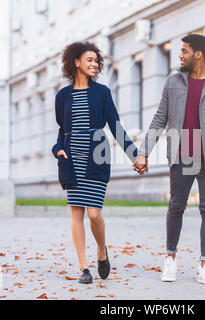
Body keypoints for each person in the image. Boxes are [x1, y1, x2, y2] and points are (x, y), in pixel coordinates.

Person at [133, 34, 205, 284]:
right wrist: (143, 152)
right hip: (183, 155)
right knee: (176, 207)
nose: (179, 55)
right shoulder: (173, 82)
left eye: (184, 51)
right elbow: (159, 119)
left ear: (198, 54)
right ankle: (170, 259)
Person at [51, 41, 139, 284]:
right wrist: (58, 150)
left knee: (94, 214)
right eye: (88, 60)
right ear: (76, 62)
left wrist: (135, 155)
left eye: (96, 60)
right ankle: (83, 268)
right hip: (72, 160)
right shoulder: (62, 96)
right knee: (76, 213)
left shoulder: (102, 93)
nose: (94, 64)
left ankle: (102, 251)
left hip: (96, 155)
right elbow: (62, 130)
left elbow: (115, 126)